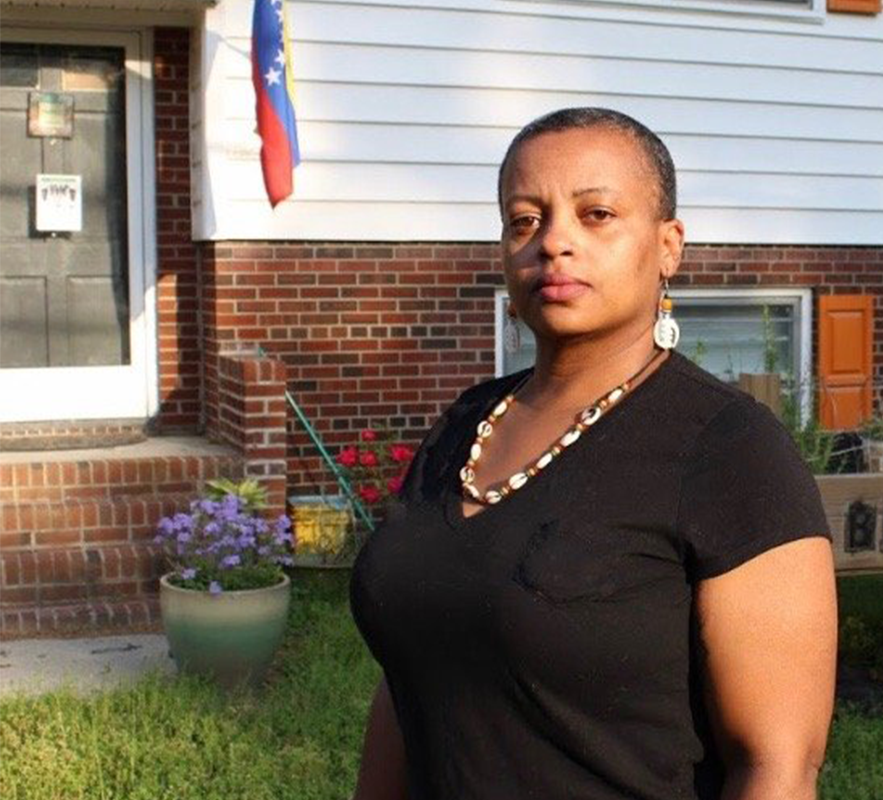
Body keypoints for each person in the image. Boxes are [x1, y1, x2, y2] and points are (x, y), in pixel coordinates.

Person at [349, 107, 837, 800]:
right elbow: (412, 670)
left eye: (597, 214)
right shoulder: (464, 424)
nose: (554, 243)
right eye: (525, 220)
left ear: (668, 246)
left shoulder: (728, 448)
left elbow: (776, 766)